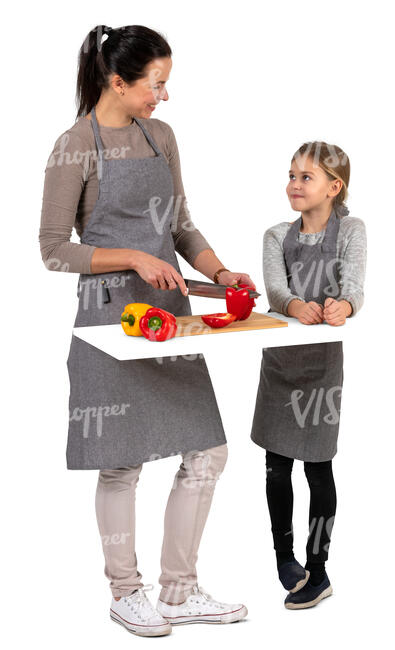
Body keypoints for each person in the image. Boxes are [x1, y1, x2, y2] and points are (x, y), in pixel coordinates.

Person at [39, 24, 252, 636]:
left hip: (172, 318)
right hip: (111, 319)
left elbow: (180, 225)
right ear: (117, 81)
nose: (163, 96)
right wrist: (132, 256)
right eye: (156, 85)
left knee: (208, 450)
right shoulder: (74, 145)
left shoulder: (161, 136)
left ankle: (180, 591)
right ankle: (126, 592)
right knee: (121, 464)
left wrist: (219, 269)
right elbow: (54, 251)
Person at [250, 141, 367, 609]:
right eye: (292, 175)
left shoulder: (352, 230)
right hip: (280, 363)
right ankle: (284, 557)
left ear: (334, 188)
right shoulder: (276, 235)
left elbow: (355, 286)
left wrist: (345, 305)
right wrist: (297, 305)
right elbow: (277, 291)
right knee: (277, 468)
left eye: (306, 177)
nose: (294, 185)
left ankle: (318, 569)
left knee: (319, 467)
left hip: (322, 368)